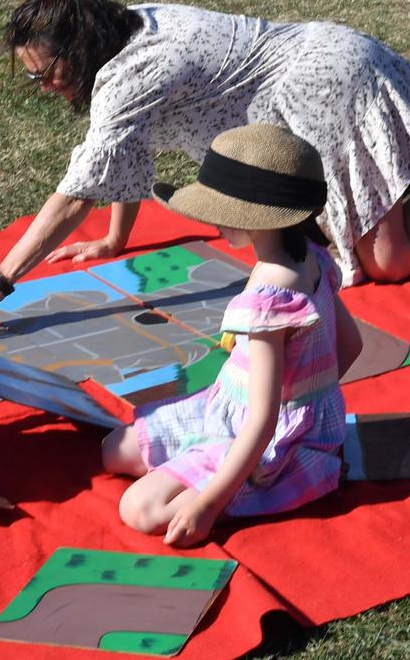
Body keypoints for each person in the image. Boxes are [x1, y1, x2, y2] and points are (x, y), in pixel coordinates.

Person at [0, 0, 410, 325]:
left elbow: (77, 192)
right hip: (315, 72)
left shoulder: (129, 75)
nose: (43, 87)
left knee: (385, 262)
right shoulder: (123, 28)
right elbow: (120, 152)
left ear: (79, 46)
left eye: (46, 73)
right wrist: (115, 240)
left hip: (328, 84)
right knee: (331, 222)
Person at [100, 124, 358, 547]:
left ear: (253, 218)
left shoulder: (269, 298)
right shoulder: (314, 258)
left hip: (261, 439)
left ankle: (285, 478)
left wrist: (208, 505)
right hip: (232, 411)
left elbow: (263, 420)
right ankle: (215, 468)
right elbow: (351, 346)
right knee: (116, 450)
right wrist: (314, 402)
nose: (213, 222)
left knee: (139, 509)